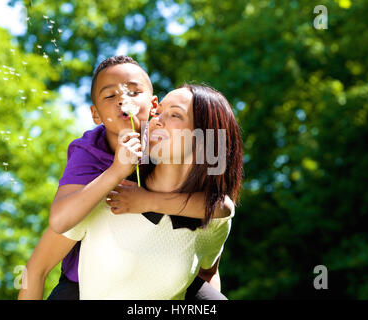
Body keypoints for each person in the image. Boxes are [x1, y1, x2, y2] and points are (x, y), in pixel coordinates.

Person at [17, 56, 232, 299]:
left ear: (152, 106)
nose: (122, 100)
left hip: (162, 275)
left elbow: (221, 207)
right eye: (110, 96)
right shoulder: (91, 156)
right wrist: (117, 171)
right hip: (80, 278)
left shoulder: (159, 138)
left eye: (133, 91)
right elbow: (58, 224)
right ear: (96, 114)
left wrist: (147, 201)